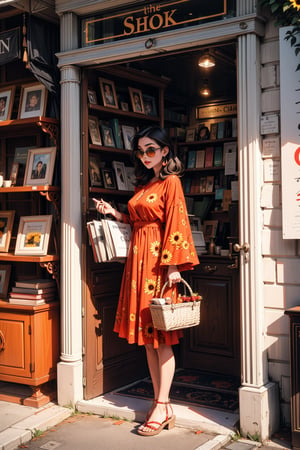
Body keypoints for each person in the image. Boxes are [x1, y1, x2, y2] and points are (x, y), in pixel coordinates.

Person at [94, 126, 199, 437]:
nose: (145, 155)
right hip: (139, 265)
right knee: (149, 340)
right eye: (140, 151)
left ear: (165, 151)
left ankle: (162, 404)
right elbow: (142, 220)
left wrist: (173, 268)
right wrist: (115, 213)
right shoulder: (145, 183)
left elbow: (176, 222)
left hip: (159, 266)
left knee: (161, 338)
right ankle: (160, 403)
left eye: (151, 149)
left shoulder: (171, 182)